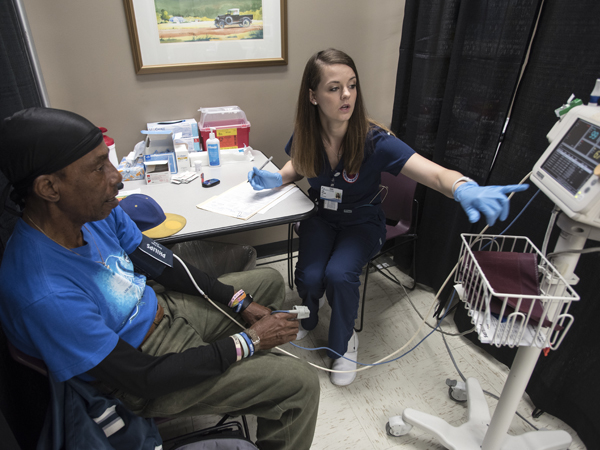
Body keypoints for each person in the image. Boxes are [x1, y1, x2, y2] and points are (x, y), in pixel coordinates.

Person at [0, 107, 319, 450]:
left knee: (268, 281)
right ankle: (260, 380)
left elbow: (164, 265)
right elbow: (142, 377)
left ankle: (245, 371)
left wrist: (237, 301)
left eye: (109, 160)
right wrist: (249, 342)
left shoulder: (91, 213)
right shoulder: (44, 292)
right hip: (141, 371)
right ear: (49, 187)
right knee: (299, 383)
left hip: (159, 310)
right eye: (98, 167)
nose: (116, 177)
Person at [248, 48, 528, 386]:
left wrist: (463, 187)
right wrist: (278, 177)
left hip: (362, 222)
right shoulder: (308, 134)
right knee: (309, 276)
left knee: (338, 274)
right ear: (313, 96)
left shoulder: (374, 140)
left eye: (352, 85)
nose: (347, 94)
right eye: (334, 87)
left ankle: (343, 343)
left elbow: (435, 174)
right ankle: (308, 315)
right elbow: (302, 163)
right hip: (321, 217)